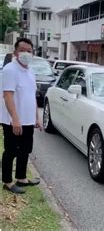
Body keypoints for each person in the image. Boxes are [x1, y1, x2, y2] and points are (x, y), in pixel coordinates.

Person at [2, 38, 42, 194]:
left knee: (25, 149)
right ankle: (7, 181)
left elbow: (31, 95)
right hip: (13, 121)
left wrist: (36, 118)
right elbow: (8, 95)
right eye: (22, 50)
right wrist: (15, 119)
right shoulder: (10, 70)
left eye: (29, 51)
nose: (26, 53)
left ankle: (21, 177)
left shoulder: (30, 70)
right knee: (11, 150)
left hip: (28, 120)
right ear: (15, 53)